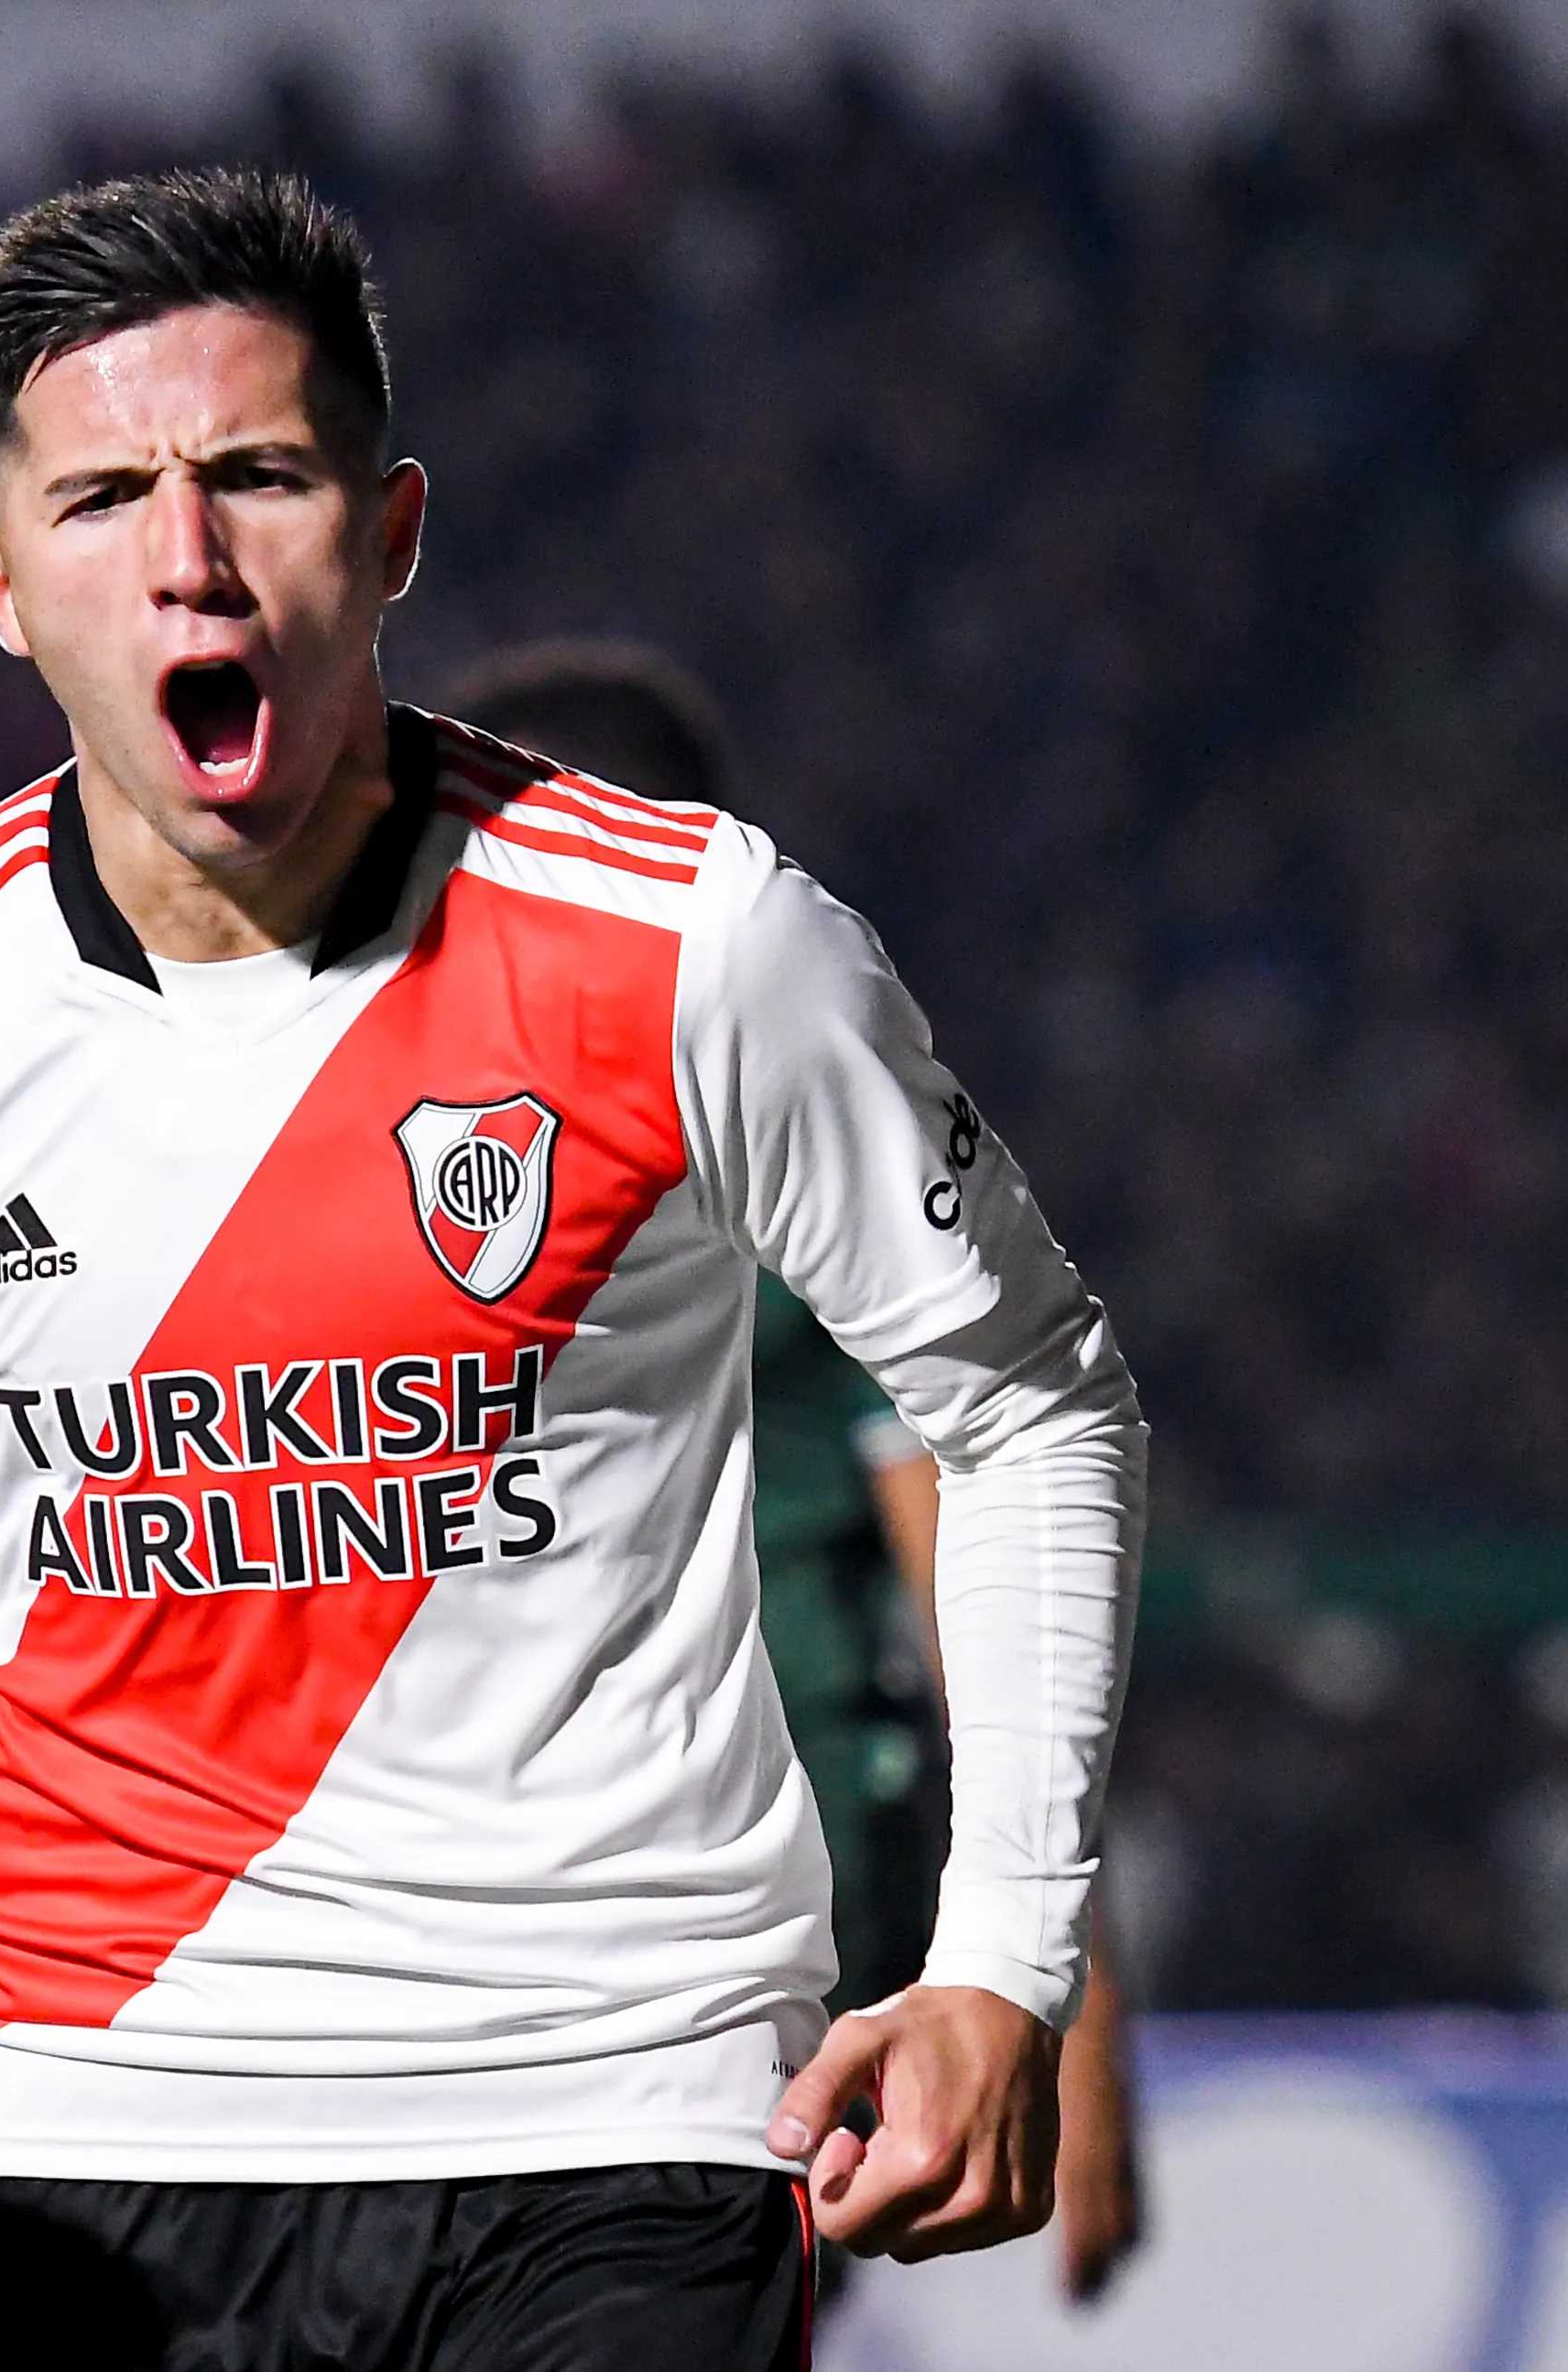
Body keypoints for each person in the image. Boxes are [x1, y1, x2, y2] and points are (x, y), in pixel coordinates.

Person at [0, 170, 1147, 2367]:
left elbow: (1031, 1399)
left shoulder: (692, 943)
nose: (187, 558)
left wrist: (1001, 1957)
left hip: (621, 2119)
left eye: (257, 478)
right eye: (104, 497)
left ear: (388, 535)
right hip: (82, 2138)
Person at [447, 641, 1148, 2306]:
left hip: (733, 1940)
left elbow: (978, 1537)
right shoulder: (429, 1161)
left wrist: (1065, 2006)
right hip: (478, 1939)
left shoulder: (782, 1171)